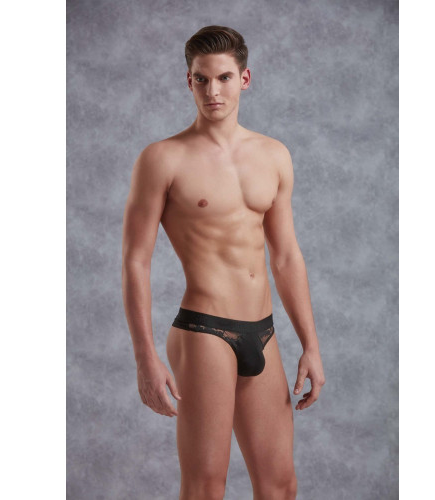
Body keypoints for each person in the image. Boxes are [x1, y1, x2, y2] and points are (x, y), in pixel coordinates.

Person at [122, 25, 325, 500]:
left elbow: (286, 256)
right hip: (204, 330)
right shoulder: (162, 159)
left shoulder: (273, 155)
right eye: (202, 79)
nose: (213, 91)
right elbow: (135, 262)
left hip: (263, 331)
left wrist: (311, 346)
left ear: (245, 78)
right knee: (205, 487)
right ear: (188, 81)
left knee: (280, 486)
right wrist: (145, 358)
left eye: (224, 78)